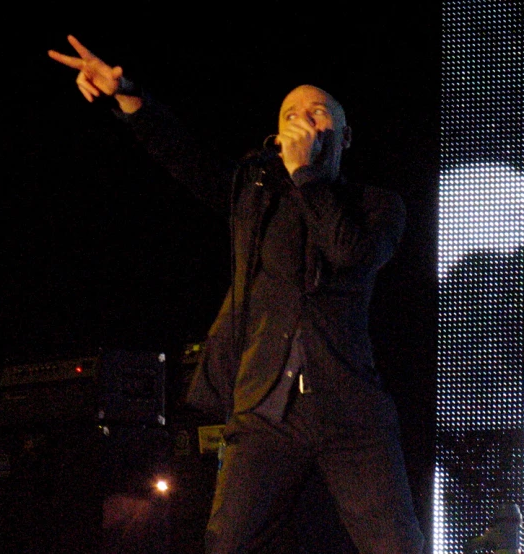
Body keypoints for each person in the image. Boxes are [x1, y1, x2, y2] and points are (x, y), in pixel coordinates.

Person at [49, 35, 425, 554]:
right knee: (227, 542)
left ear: (344, 133)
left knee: (395, 545)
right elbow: (186, 158)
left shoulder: (378, 205)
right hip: (265, 407)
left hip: (351, 410)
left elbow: (350, 252)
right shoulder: (255, 197)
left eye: (318, 113)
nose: (303, 120)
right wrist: (127, 94)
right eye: (291, 113)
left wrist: (307, 175)